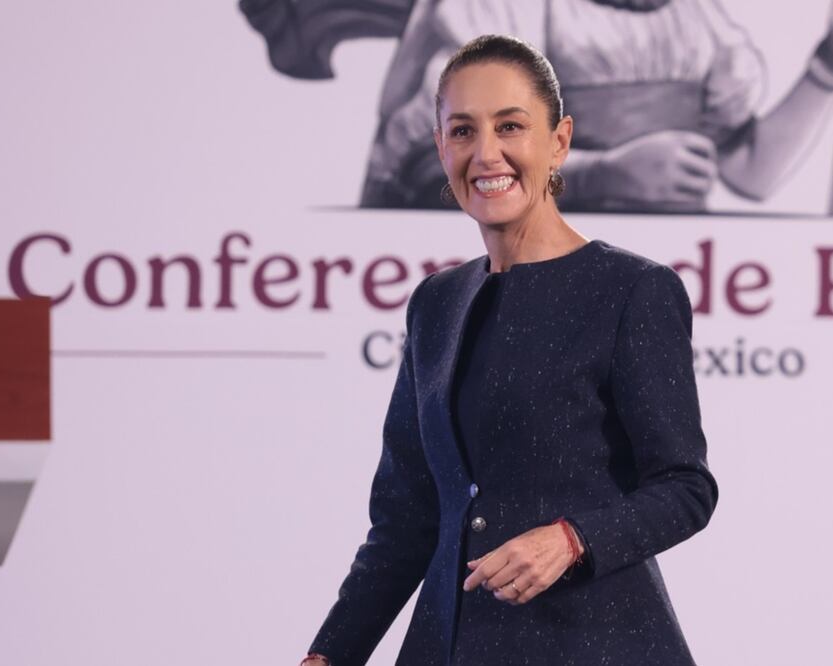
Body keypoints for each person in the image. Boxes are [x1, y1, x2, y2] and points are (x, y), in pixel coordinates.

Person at [299, 34, 718, 666]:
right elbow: (407, 518)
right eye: (463, 131)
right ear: (441, 146)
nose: (486, 153)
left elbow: (685, 487)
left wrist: (571, 540)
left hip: (592, 646)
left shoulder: (633, 289)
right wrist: (329, 653)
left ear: (559, 141)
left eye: (511, 126)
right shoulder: (435, 302)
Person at [242, 0, 833, 213]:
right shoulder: (499, 10)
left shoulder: (698, 24)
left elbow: (749, 171)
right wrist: (603, 175)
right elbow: (428, 172)